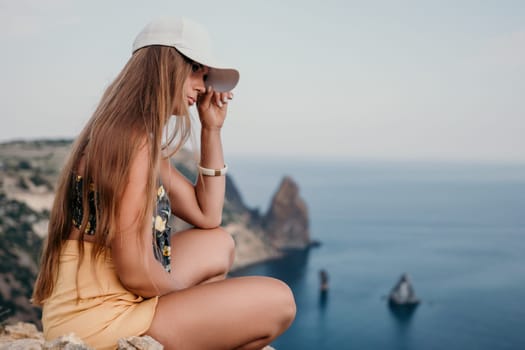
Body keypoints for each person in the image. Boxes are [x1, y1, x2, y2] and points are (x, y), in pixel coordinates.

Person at [32, 17, 296, 350]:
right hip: (98, 321)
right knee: (280, 301)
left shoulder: (132, 136)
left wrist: (210, 129)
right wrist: (199, 303)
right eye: (197, 71)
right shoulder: (129, 144)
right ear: (167, 66)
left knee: (219, 243)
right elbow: (135, 272)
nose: (203, 86)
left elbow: (207, 215)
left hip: (105, 300)